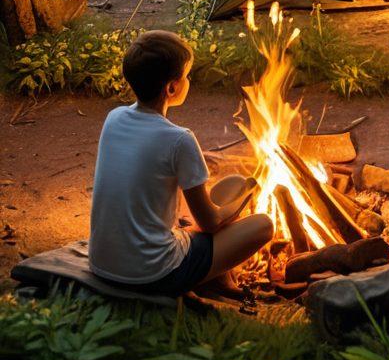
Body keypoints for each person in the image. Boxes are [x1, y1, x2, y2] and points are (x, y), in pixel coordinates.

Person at [89, 30, 273, 295]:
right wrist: (246, 196)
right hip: (154, 274)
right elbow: (211, 223)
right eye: (186, 75)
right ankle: (208, 277)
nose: (189, 80)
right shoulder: (179, 139)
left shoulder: (114, 118)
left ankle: (216, 275)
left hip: (102, 265)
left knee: (231, 184)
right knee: (263, 224)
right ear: (172, 88)